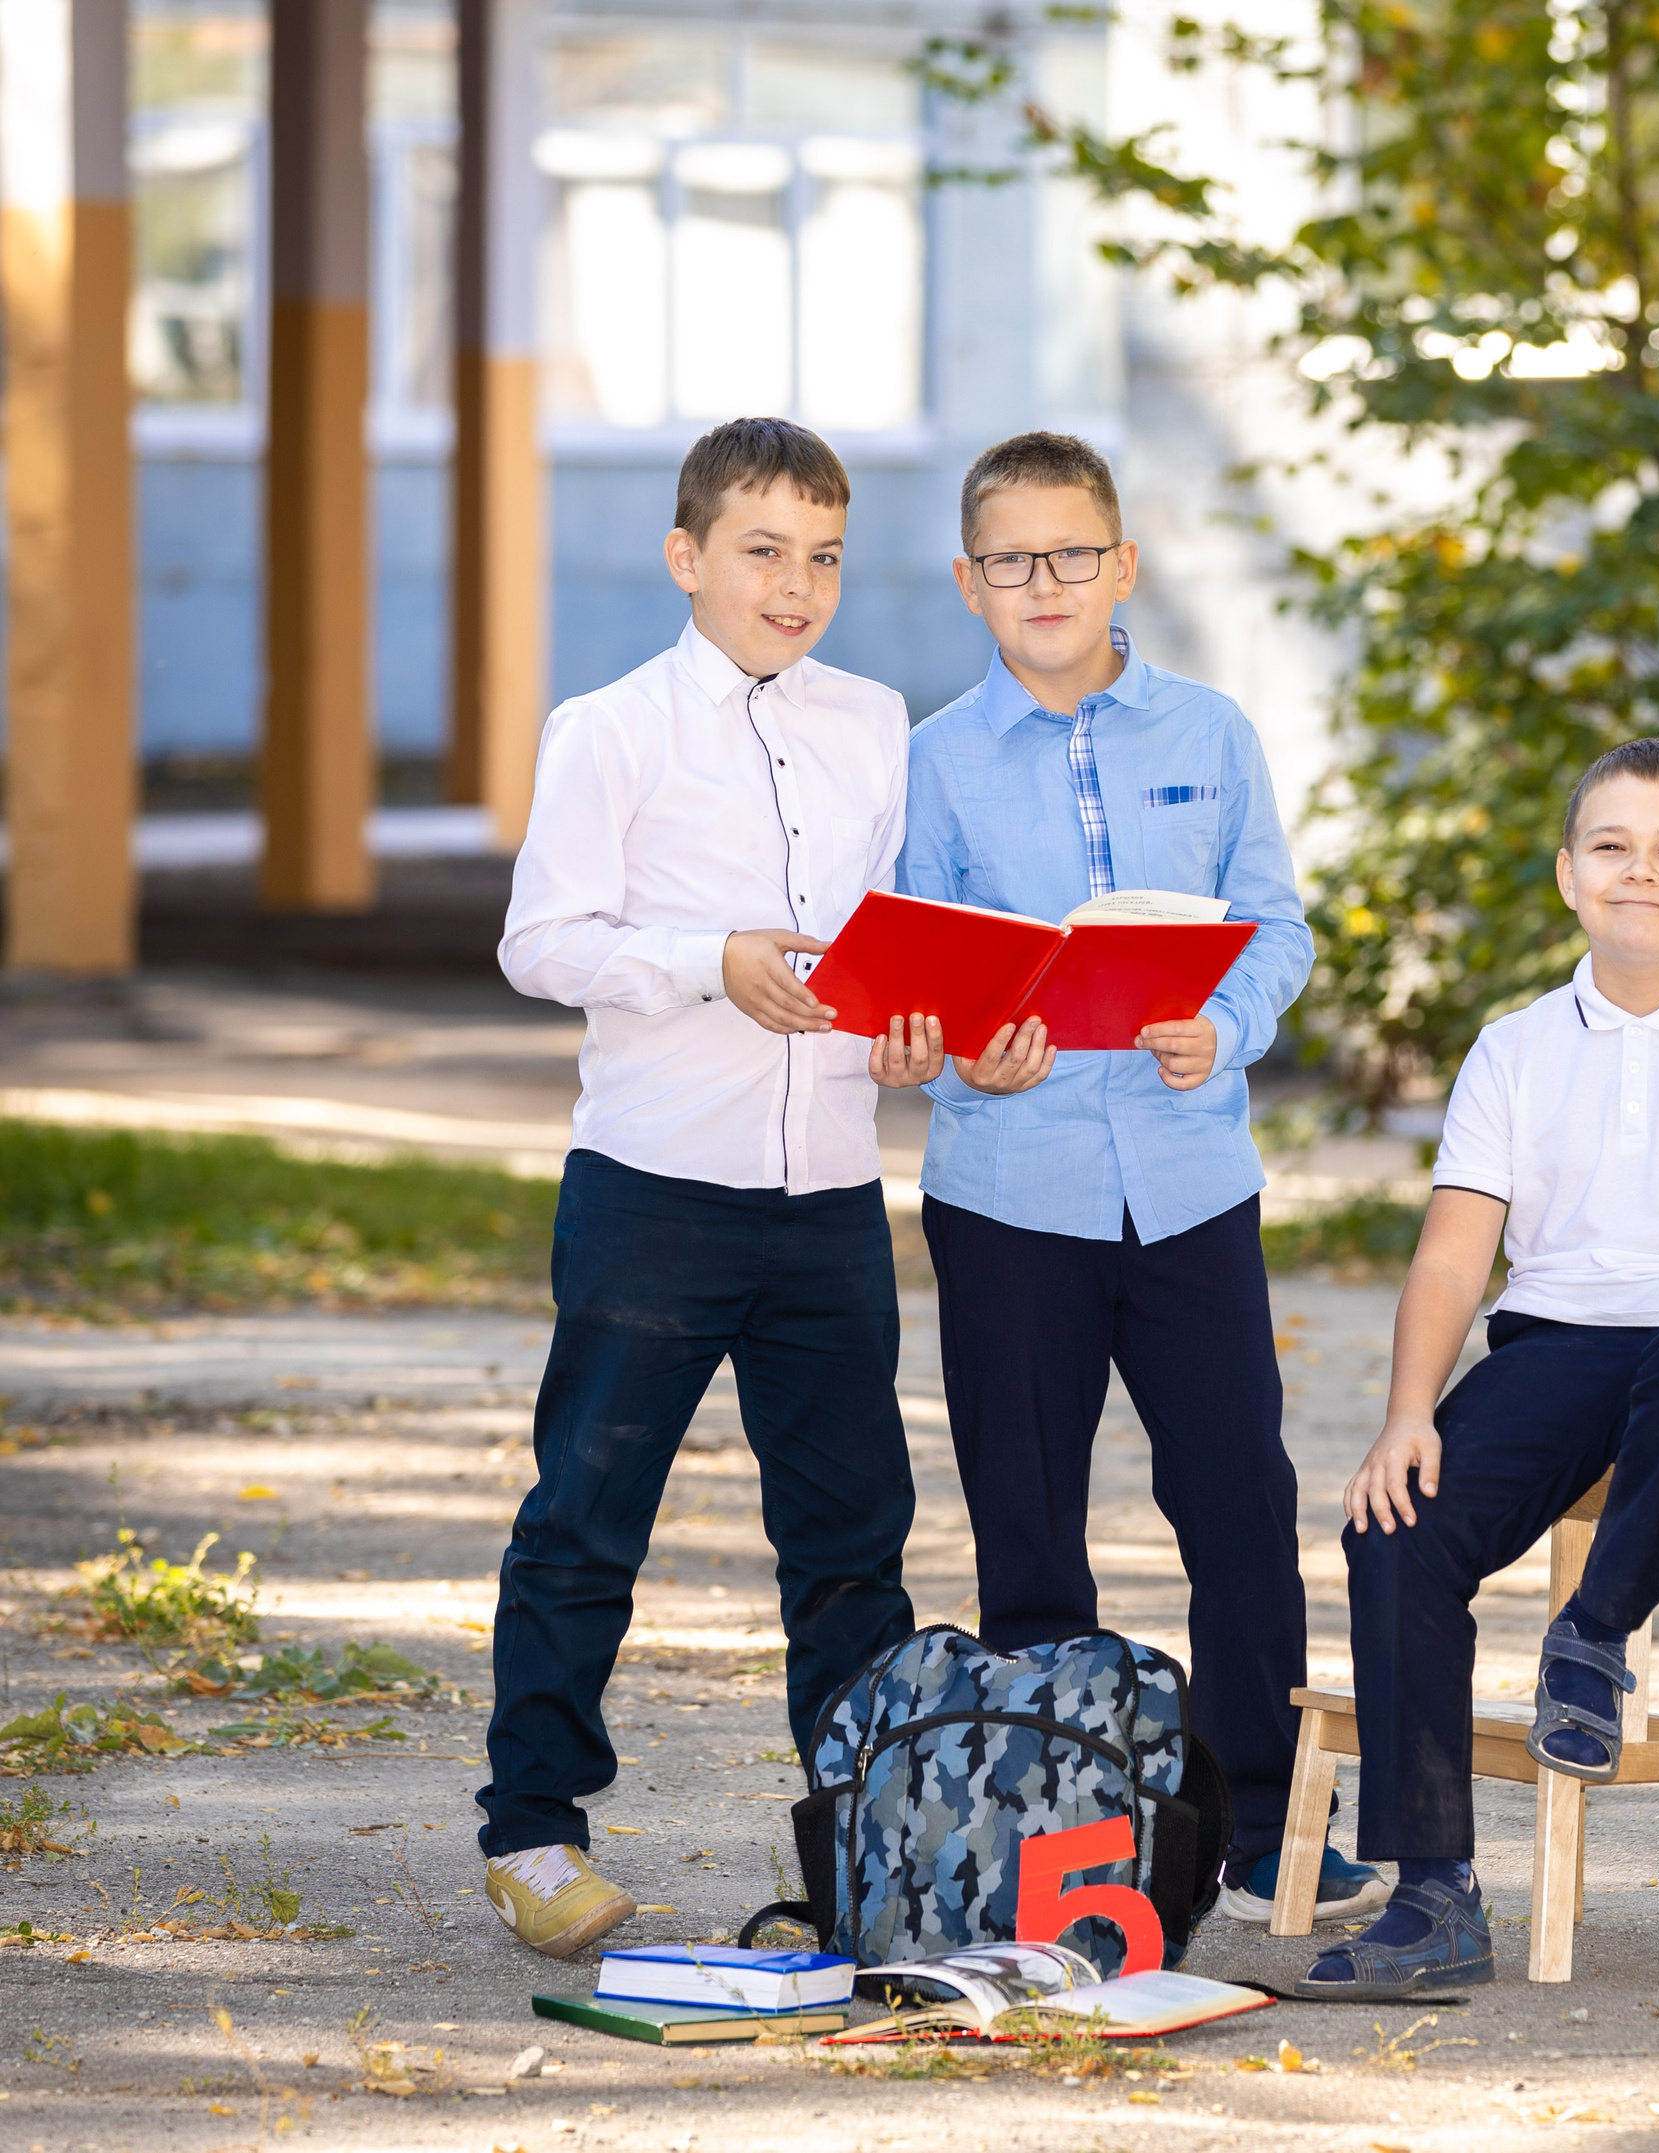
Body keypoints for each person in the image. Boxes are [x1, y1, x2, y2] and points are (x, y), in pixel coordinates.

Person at [898, 431, 1387, 1927]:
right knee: (1026, 1515)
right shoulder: (937, 757)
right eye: (1011, 560)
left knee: (1239, 1500)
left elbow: (1277, 928)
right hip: (1009, 1192)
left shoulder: (1214, 733)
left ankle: (1260, 1837)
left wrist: (1225, 1023)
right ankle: (1067, 1836)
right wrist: (959, 1053)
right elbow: (915, 974)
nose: (1043, 583)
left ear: (1123, 564)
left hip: (1187, 1183)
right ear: (972, 581)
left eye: (1071, 554)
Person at [478, 418, 945, 1957]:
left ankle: (860, 1844)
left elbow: (889, 942)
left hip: (828, 1202)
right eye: (762, 551)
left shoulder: (879, 721)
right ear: (687, 558)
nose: (796, 584)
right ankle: (535, 1831)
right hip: (653, 1189)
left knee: (852, 1536)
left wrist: (914, 1026)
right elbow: (541, 943)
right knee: (586, 1516)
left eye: (822, 555)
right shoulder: (607, 728)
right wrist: (710, 966)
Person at [1301, 738, 1659, 1998]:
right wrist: (1403, 1416)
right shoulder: (1513, 1046)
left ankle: (1591, 1637)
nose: (1640, 871)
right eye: (1611, 845)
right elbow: (1452, 1264)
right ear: (1567, 875)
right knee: (1398, 1525)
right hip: (1560, 1343)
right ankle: (1434, 1895)